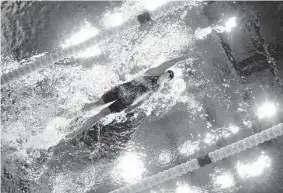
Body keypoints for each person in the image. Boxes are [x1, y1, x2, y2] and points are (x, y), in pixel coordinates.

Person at [65, 55, 189, 138]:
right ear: (164, 71)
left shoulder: (158, 88)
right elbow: (172, 62)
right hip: (120, 90)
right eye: (168, 72)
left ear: (168, 80)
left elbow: (145, 99)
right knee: (97, 104)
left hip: (126, 102)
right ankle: (73, 114)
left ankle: (76, 132)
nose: (168, 74)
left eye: (170, 76)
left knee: (101, 114)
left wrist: (133, 108)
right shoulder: (154, 72)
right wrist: (187, 56)